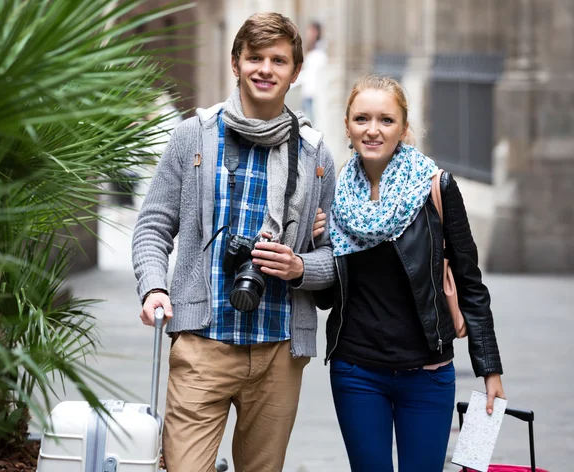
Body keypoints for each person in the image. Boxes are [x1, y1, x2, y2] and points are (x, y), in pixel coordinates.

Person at [131, 12, 336, 472]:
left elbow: (335, 257)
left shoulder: (315, 154)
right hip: (203, 344)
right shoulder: (193, 137)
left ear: (295, 71)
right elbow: (152, 226)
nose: (266, 69)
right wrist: (154, 287)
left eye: (278, 60)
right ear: (236, 63)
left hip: (279, 350)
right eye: (255, 57)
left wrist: (299, 268)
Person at [315, 75, 505, 472]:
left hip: (427, 373)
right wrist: (318, 247)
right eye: (361, 119)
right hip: (356, 370)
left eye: (386, 120)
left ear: (403, 127)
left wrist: (489, 369)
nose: (373, 130)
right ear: (347, 126)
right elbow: (325, 297)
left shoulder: (436, 187)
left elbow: (470, 283)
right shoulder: (333, 196)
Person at [294, 20, 327, 127]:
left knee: (311, 124)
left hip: (313, 94)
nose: (308, 33)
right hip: (307, 92)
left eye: (310, 30)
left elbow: (313, 75)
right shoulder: (310, 49)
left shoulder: (319, 51)